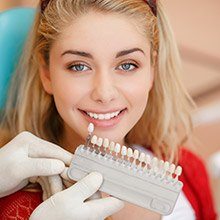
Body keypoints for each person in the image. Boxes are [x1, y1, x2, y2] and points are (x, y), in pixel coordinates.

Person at [0, 0, 217, 219]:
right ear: (46, 73)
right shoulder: (16, 207)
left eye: (127, 65)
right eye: (79, 66)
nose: (104, 93)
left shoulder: (188, 169)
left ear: (152, 69)